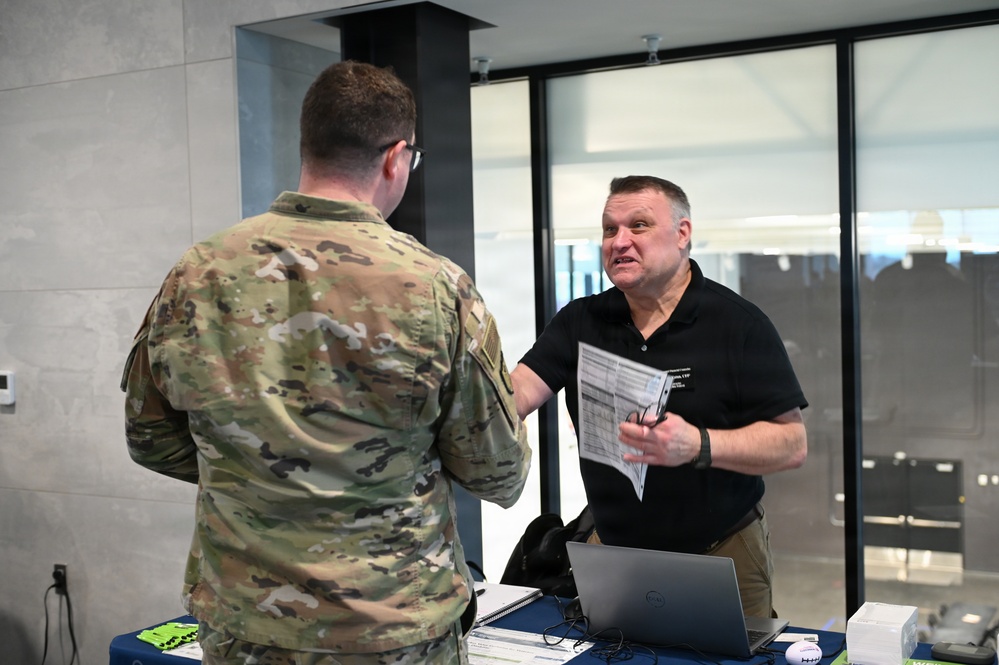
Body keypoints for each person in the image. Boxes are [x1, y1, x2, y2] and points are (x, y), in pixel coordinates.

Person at [122, 60, 531, 665]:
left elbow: (150, 436)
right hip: (390, 629)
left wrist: (258, 480)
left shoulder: (197, 271)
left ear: (307, 145)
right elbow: (498, 472)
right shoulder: (435, 286)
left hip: (246, 624)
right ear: (396, 158)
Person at [511, 175, 807, 618]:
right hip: (612, 548)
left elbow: (791, 444)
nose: (619, 241)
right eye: (610, 229)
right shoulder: (581, 321)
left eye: (639, 226)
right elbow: (513, 394)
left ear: (683, 233)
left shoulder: (738, 324)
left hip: (721, 548)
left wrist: (697, 444)